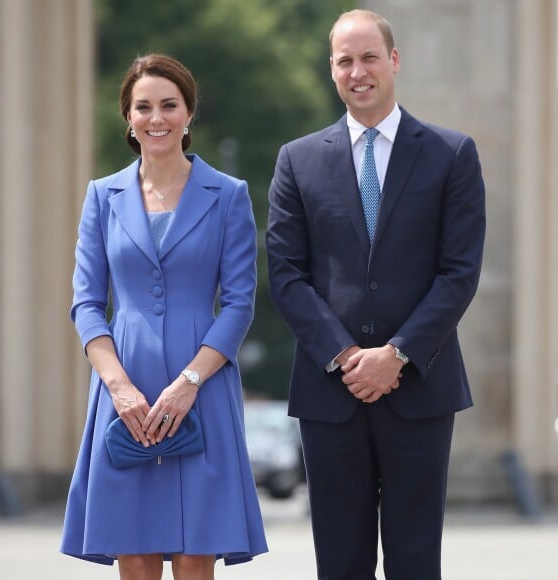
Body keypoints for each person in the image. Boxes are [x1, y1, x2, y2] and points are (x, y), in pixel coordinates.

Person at [266, 9, 486, 580]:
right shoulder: (297, 160)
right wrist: (344, 358)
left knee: (416, 562)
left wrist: (397, 354)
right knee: (340, 564)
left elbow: (459, 272)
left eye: (369, 57)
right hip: (329, 396)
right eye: (345, 60)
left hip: (420, 389)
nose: (357, 71)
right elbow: (287, 273)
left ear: (394, 61)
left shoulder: (451, 154)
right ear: (332, 70)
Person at [61, 53, 267, 580]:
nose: (157, 118)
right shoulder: (101, 197)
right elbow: (87, 302)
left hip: (203, 388)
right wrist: (119, 388)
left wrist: (189, 382)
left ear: (189, 113)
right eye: (144, 106)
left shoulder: (229, 196)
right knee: (133, 552)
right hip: (122, 388)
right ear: (127, 117)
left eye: (169, 105)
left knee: (197, 554)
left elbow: (240, 303)